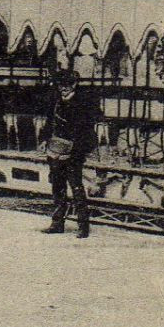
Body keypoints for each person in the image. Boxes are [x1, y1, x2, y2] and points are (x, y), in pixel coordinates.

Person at [41, 68, 102, 238]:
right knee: (57, 187)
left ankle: (83, 226)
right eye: (61, 85)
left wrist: (75, 150)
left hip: (74, 152)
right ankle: (57, 223)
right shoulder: (56, 102)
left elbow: (86, 130)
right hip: (56, 150)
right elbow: (49, 122)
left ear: (74, 84)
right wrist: (44, 139)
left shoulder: (83, 103)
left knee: (76, 188)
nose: (63, 88)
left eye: (67, 85)